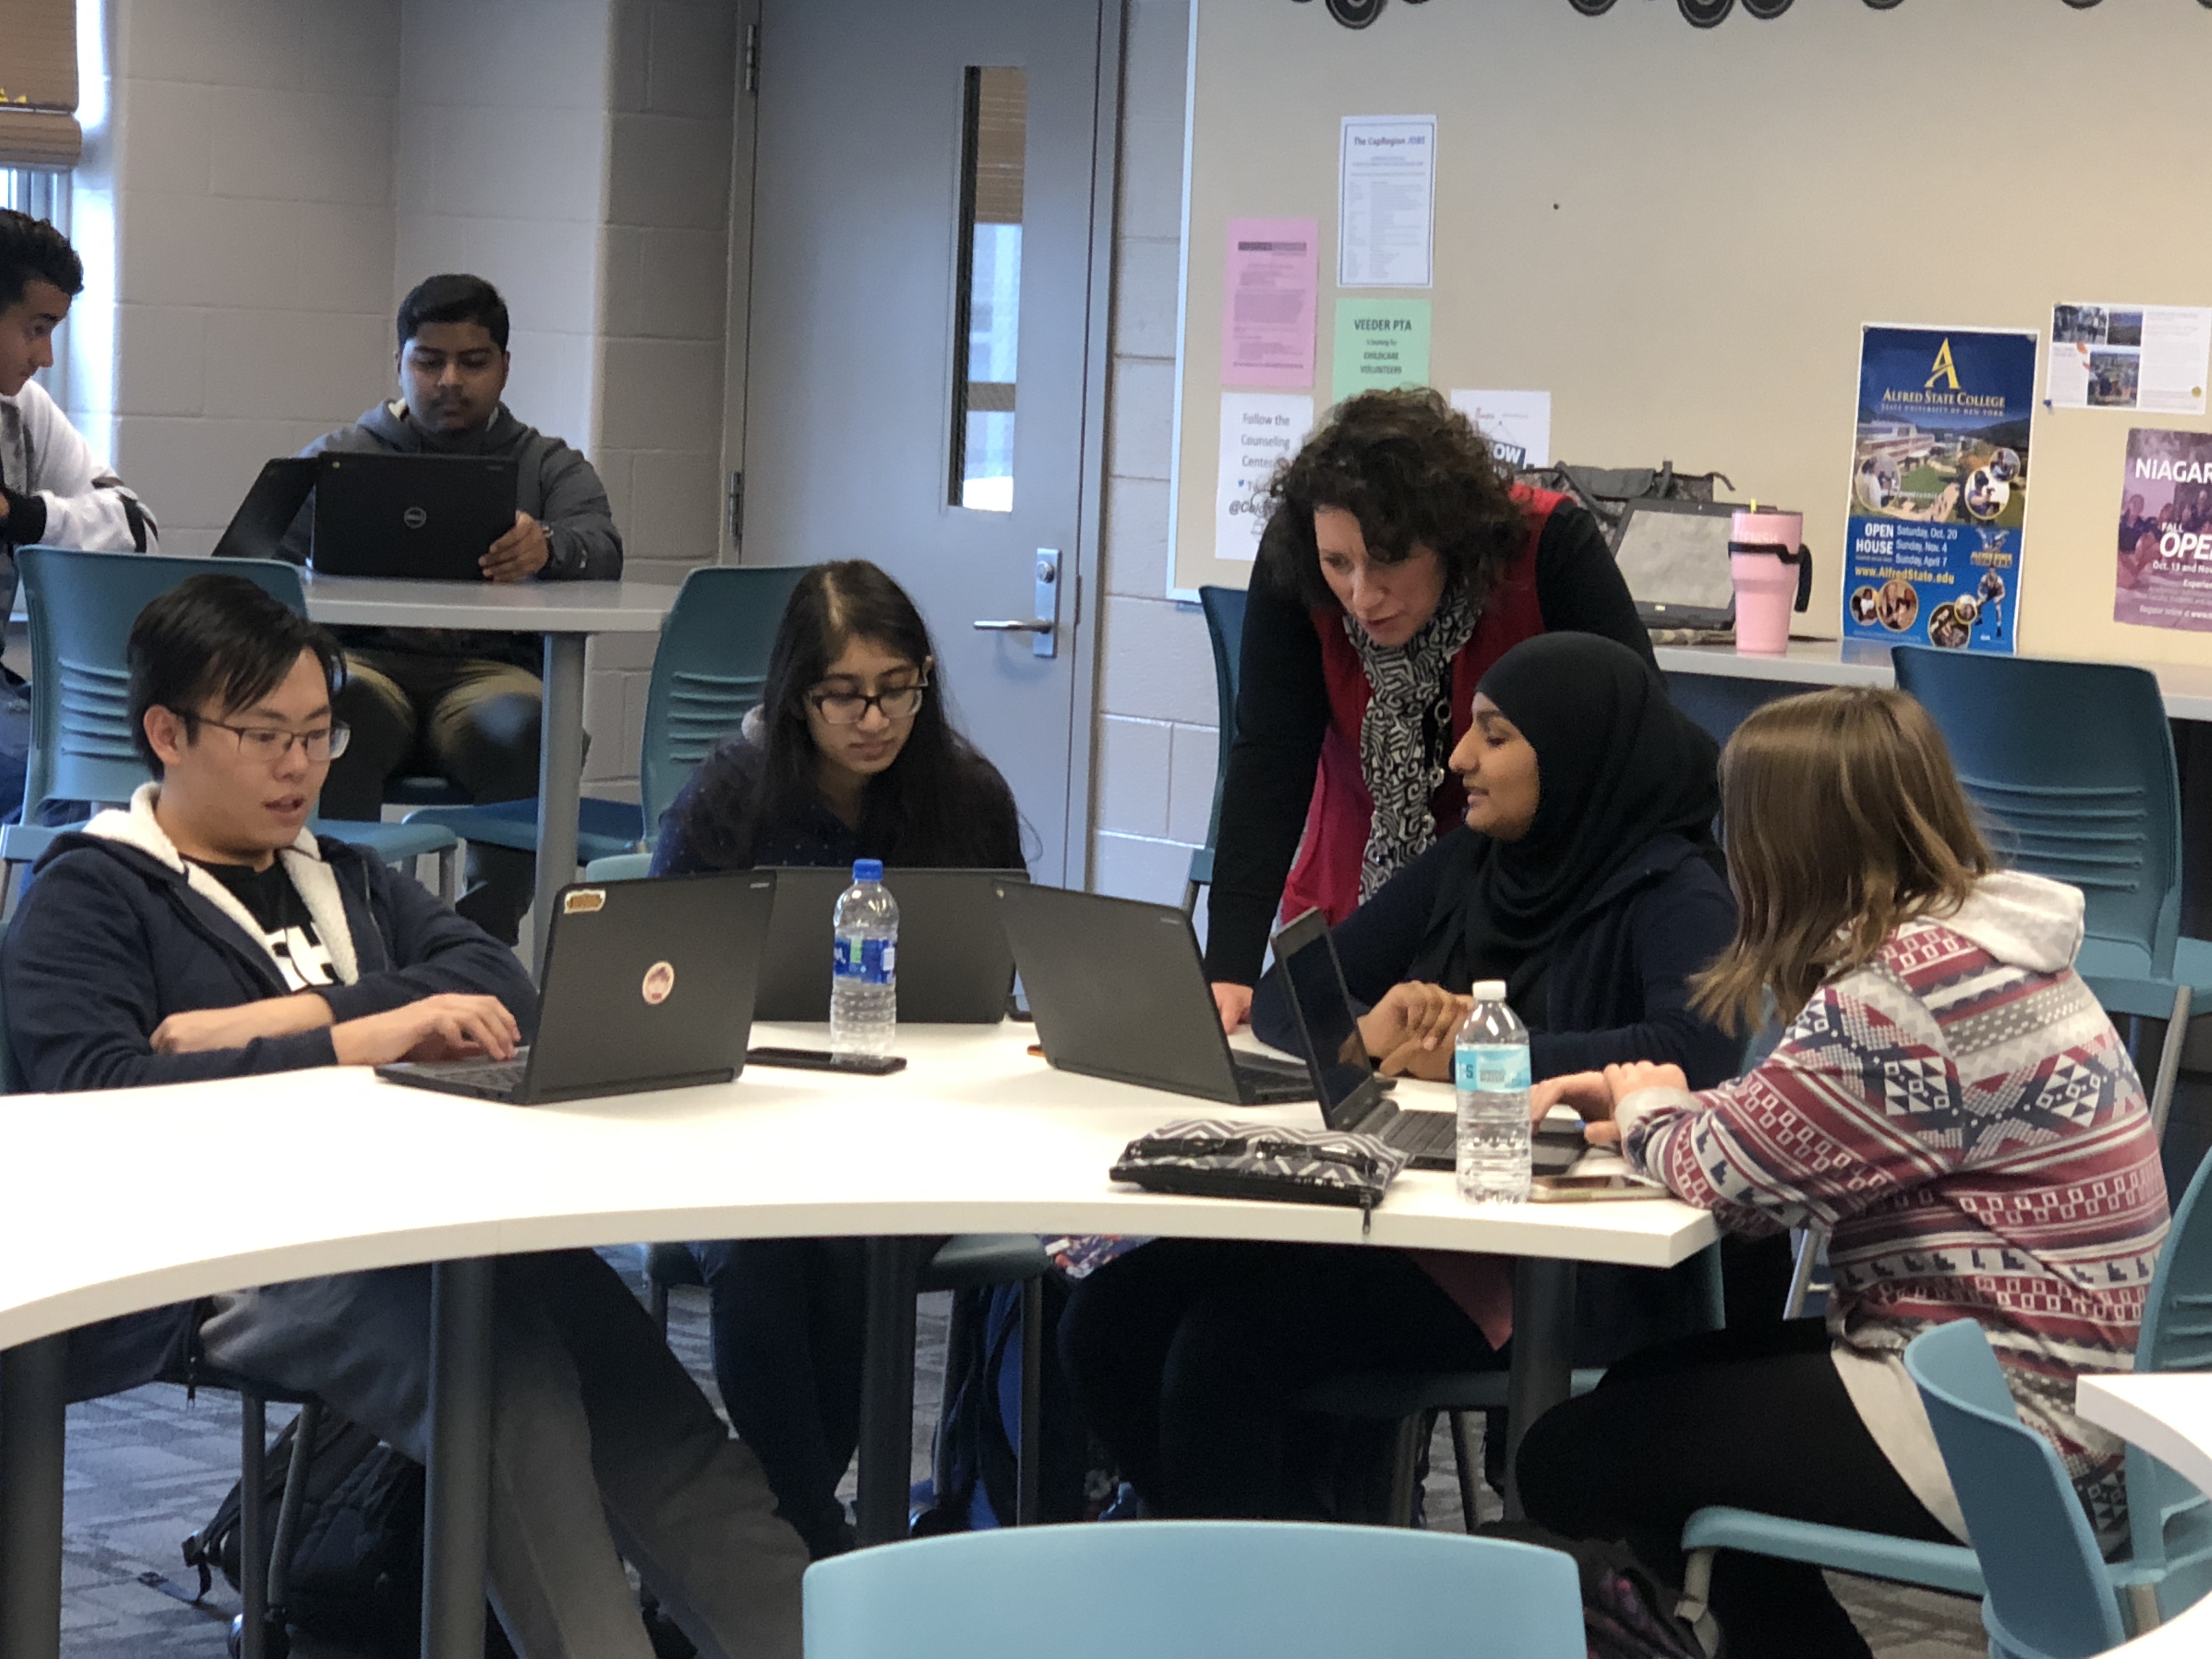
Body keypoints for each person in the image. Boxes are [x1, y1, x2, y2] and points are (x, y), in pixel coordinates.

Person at [2, 574, 804, 1659]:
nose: (300, 767)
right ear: (167, 734)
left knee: (638, 1389)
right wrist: (379, 1029)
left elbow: (505, 993)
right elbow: (94, 1100)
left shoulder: (348, 878)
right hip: (229, 1254)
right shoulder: (94, 894)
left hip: (423, 1222)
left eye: (320, 737)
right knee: (503, 1378)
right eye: (265, 736)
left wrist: (295, 1020)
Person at [1514, 687, 2170, 1659]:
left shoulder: (1897, 999)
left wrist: (1647, 1105)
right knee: (1655, 1390)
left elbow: (1728, 1176)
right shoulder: (1987, 948)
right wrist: (1664, 1108)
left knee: (1570, 1456)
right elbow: (1784, 1132)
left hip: (2013, 1430)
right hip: (2087, 1404)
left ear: (1781, 846)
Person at [1061, 635, 1749, 1522]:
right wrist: (1364, 1029)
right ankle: (1269, 1569)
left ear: (1575, 750)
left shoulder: (1676, 888)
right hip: (1406, 1213)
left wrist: (1483, 1062)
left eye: (1494, 736)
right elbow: (1282, 1001)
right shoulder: (1476, 859)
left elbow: (1698, 1047)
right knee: (1105, 1321)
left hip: (1545, 1251)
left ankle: (1254, 1597)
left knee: (1220, 1351)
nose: (1460, 756)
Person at [653, 559, 1027, 1556]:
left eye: (898, 687)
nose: (875, 717)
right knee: (769, 1260)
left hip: (915, 1121)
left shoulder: (964, 793)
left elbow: (997, 977)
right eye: (844, 695)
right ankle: (809, 1537)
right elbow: (660, 978)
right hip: (752, 1127)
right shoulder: (729, 800)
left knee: (861, 1253)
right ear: (793, 696)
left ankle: (769, 1554)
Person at [1203, 387, 1651, 1033]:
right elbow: (1269, 761)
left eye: (1387, 560)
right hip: (1348, 913)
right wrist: (1233, 965)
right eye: (1339, 564)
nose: (1361, 594)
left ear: (1449, 538)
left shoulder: (1547, 547)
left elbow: (1638, 747)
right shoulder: (1299, 549)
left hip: (1519, 925)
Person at [279, 274, 623, 945]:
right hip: (364, 665)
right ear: (401, 363)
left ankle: (476, 942)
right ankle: (353, 931)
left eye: (472, 362)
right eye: (428, 361)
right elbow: (260, 560)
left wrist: (549, 547)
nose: (449, 381)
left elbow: (603, 547)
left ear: (504, 367)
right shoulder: (340, 457)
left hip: (491, 677)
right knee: (331, 712)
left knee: (539, 729)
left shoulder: (547, 465)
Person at [0, 210, 157, 556]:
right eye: (36, 330)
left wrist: (25, 517)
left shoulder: (25, 409)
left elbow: (139, 532)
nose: (46, 358)